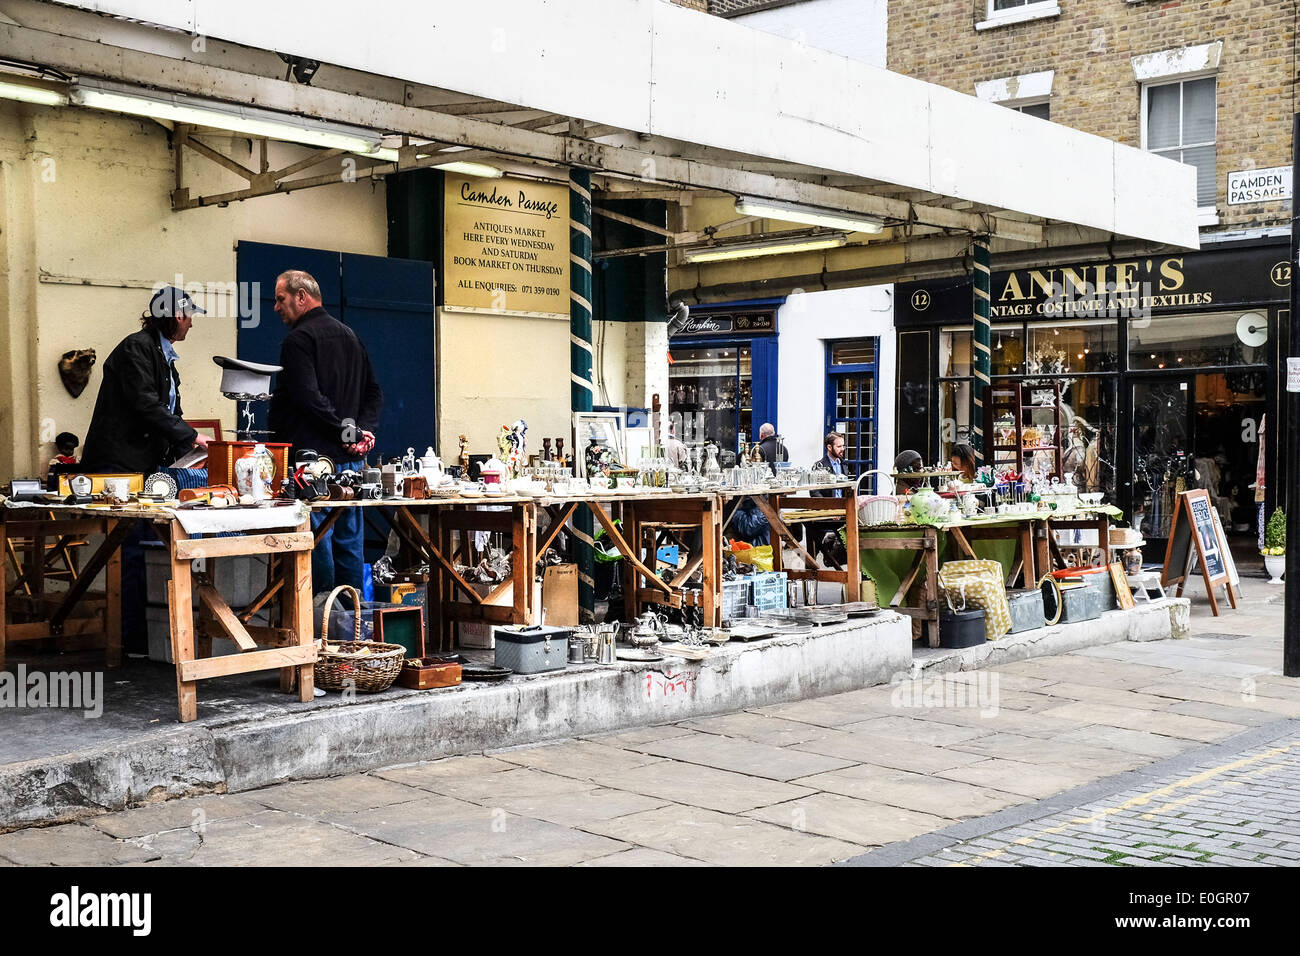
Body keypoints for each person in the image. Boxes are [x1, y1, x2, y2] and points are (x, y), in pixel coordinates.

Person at [81, 285, 211, 655]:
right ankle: (131, 637)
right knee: (133, 550)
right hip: (119, 464)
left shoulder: (164, 356)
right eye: (187, 315)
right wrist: (192, 437)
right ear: (172, 316)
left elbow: (169, 412)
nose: (190, 323)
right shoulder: (136, 348)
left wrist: (193, 448)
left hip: (144, 464)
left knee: (145, 545)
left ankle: (144, 634)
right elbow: (145, 405)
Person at [269, 269, 382, 593]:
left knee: (316, 540)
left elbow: (309, 399)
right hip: (350, 462)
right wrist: (360, 434)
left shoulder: (297, 341)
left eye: (281, 299)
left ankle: (318, 623)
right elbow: (374, 393)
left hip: (311, 465)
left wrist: (350, 434)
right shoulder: (351, 335)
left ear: (301, 297)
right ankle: (350, 622)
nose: (276, 307)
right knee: (349, 540)